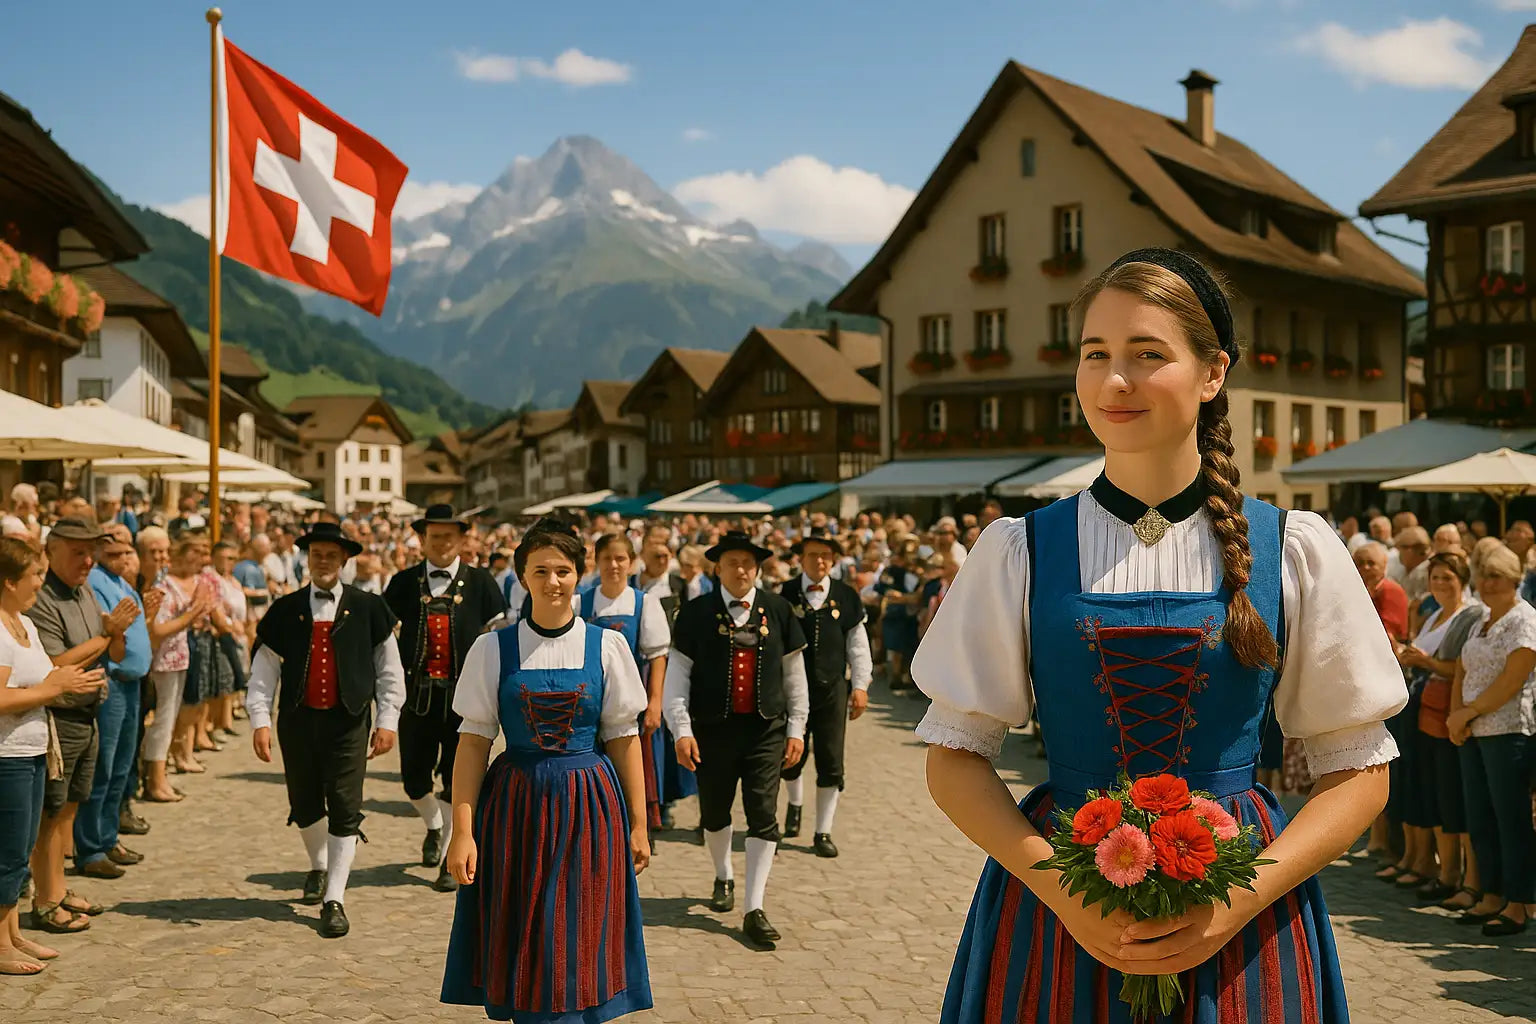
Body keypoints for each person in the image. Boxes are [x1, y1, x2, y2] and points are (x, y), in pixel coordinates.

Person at [914, 249, 1406, 1022]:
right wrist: (1064, 895)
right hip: (1059, 908)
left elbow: (1359, 769)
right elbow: (955, 759)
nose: (1115, 381)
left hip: (1242, 916)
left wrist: (1237, 900)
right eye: (1095, 355)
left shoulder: (1293, 547)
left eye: (1148, 355)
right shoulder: (1019, 549)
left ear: (1213, 373)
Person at [441, 518, 653, 1021]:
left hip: (590, 807)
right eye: (541, 571)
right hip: (516, 808)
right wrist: (462, 832)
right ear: (522, 577)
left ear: (579, 574)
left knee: (581, 928)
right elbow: (472, 745)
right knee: (526, 934)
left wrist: (640, 824)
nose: (552, 581)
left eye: (562, 570)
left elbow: (625, 741)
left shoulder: (608, 646)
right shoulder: (492, 649)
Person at [246, 522, 406, 938]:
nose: (323, 561)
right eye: (316, 554)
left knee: (344, 804)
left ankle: (334, 897)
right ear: (306, 557)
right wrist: (259, 720)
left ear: (345, 560)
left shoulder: (369, 608)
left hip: (348, 720)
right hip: (297, 720)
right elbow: (262, 672)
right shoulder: (285, 609)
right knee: (304, 802)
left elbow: (389, 671)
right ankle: (318, 865)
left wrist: (388, 720)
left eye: (331, 555)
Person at [662, 531, 809, 949]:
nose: (741, 570)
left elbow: (795, 679)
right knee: (714, 811)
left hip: (766, 730)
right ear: (717, 568)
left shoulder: (778, 610)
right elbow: (677, 678)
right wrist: (682, 730)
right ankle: (723, 874)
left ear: (758, 567)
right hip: (712, 729)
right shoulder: (694, 613)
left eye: (748, 563)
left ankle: (753, 907)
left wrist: (796, 728)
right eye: (732, 563)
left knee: (763, 814)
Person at [382, 504, 505, 893]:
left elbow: (497, 638)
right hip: (416, 697)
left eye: (449, 536)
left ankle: (452, 849)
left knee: (458, 780)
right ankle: (434, 824)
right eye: (434, 536)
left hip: (463, 698)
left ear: (461, 539)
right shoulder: (402, 583)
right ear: (422, 539)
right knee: (413, 779)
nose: (442, 543)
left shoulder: (482, 582)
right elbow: (385, 643)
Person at [27, 519, 139, 933]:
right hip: (60, 714)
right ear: (51, 550)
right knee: (50, 813)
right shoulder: (42, 598)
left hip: (89, 711)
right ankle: (46, 898)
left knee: (70, 807)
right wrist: (108, 636)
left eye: (90, 552)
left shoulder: (85, 590)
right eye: (78, 551)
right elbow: (56, 665)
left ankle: (59, 886)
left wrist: (114, 636)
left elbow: (113, 648)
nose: (87, 560)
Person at [0, 536, 105, 970]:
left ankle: (12, 933)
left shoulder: (23, 623)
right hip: (6, 756)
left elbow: (47, 674)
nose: (40, 584)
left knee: (19, 849)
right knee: (6, 853)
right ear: (8, 582)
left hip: (32, 749)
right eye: (34, 576)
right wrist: (53, 688)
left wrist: (70, 679)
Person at [1447, 544, 1536, 937]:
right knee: (1479, 816)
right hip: (1473, 730)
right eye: (1483, 575)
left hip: (1508, 731)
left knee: (1510, 820)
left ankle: (1518, 903)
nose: (1487, 583)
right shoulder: (1481, 618)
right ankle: (1490, 893)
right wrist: (1456, 715)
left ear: (1514, 579)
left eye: (1495, 576)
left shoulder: (1524, 620)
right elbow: (1462, 669)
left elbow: (1512, 680)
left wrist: (1468, 712)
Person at [777, 531, 872, 858]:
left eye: (825, 556)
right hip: (790, 692)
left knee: (831, 761)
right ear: (800, 559)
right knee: (789, 757)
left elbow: (858, 647)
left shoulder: (846, 596)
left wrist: (860, 686)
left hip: (832, 690)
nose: (819, 561)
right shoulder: (785, 593)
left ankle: (823, 831)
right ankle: (794, 804)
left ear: (832, 560)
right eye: (812, 555)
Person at [1397, 550, 1482, 910]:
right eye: (1435, 577)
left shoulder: (1470, 615)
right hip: (1422, 708)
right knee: (1428, 789)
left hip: (1449, 710)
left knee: (1451, 796)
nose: (1440, 583)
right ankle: (1437, 869)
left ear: (1462, 578)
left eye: (1447, 576)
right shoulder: (1432, 615)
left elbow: (1458, 668)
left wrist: (1423, 660)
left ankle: (1457, 875)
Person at [75, 527, 153, 879]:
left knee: (122, 765)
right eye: (115, 554)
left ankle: (108, 838)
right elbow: (108, 630)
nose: (122, 559)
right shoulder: (95, 580)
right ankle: (91, 846)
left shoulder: (124, 582)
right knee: (103, 767)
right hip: (113, 681)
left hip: (132, 683)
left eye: (127, 553)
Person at [580, 533, 670, 834]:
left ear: (631, 563)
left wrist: (655, 701)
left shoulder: (645, 603)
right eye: (607, 558)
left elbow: (657, 656)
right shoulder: (583, 601)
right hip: (592, 694)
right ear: (597, 562)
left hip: (632, 695)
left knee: (635, 762)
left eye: (620, 559)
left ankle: (636, 825)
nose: (613, 565)